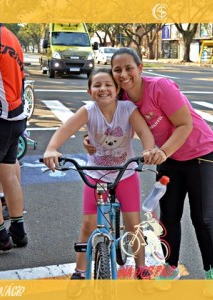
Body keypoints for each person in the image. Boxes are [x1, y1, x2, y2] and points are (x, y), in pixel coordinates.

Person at [84, 47, 213, 284]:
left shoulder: (160, 87)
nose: (123, 74)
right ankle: (170, 268)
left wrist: (162, 151)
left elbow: (184, 124)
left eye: (129, 68)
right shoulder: (122, 98)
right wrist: (91, 140)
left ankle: (211, 274)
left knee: (202, 217)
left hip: (201, 153)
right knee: (169, 217)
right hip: (167, 158)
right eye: (117, 70)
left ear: (140, 68)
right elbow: (107, 120)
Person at [42, 68, 155, 280]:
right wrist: (52, 148)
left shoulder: (128, 108)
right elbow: (65, 130)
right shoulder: (88, 111)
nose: (103, 89)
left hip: (125, 173)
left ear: (117, 88)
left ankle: (141, 267)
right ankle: (80, 269)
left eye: (108, 85)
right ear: (89, 90)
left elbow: (144, 133)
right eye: (97, 85)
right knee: (88, 225)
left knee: (134, 225)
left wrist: (148, 150)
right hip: (96, 174)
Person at [0, 23, 28, 251]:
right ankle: (18, 231)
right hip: (16, 115)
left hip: (0, 118)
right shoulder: (9, 35)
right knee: (8, 173)